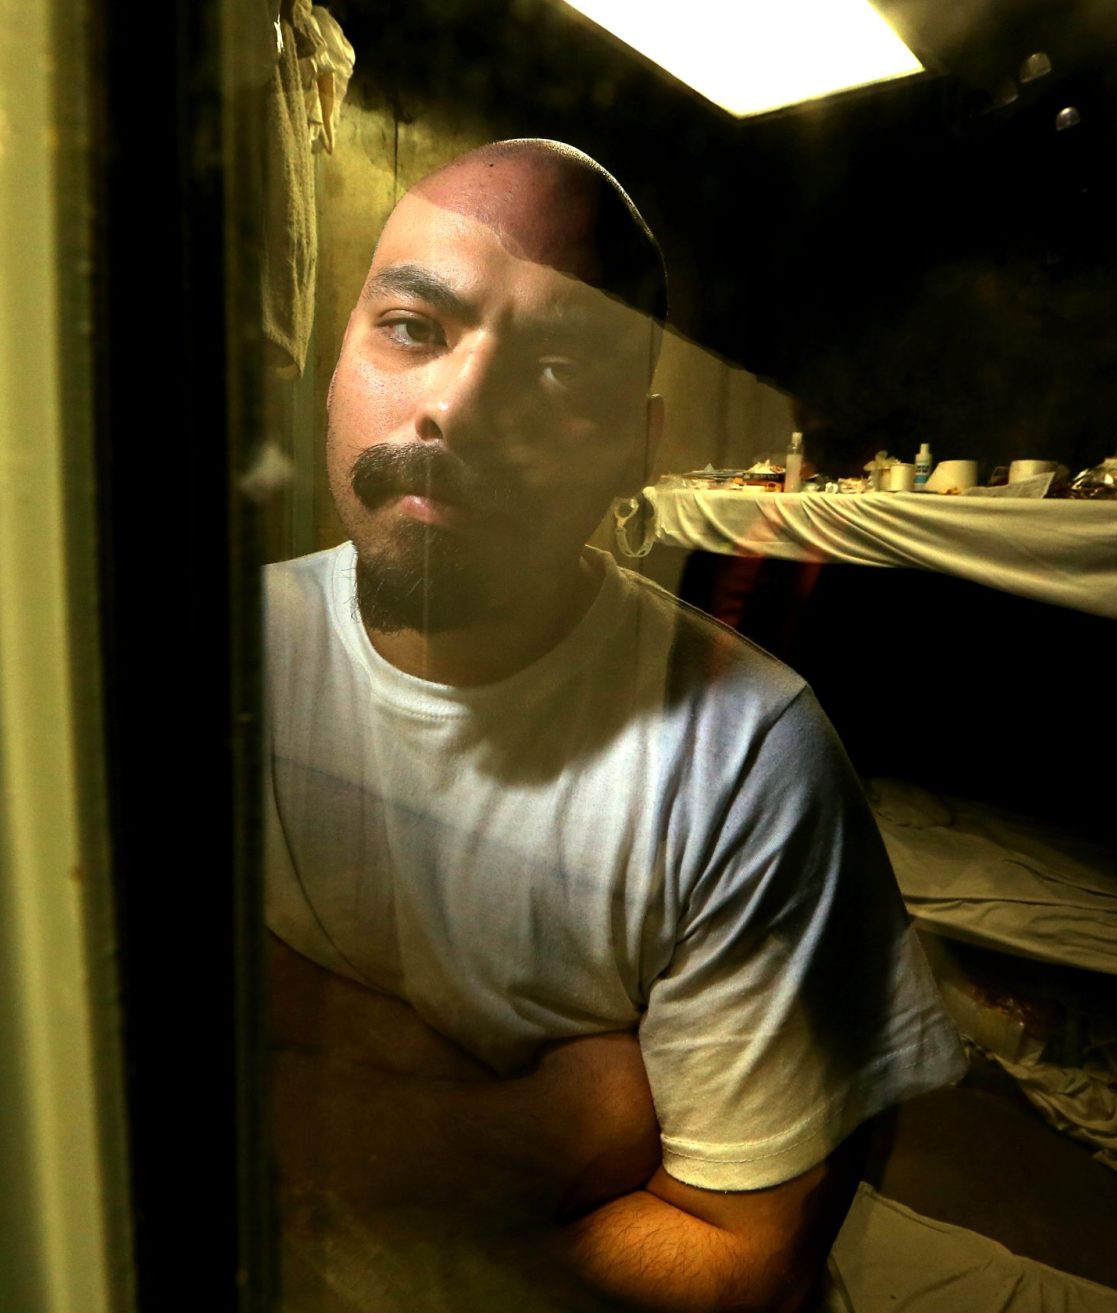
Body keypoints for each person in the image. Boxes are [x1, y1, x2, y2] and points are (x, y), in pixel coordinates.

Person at [263, 138, 963, 1311]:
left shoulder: (746, 761)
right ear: (335, 364)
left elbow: (745, 1265)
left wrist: (320, 1115)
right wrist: (549, 1128)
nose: (453, 406)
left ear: (631, 452)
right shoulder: (222, 660)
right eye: (410, 330)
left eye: (551, 368)